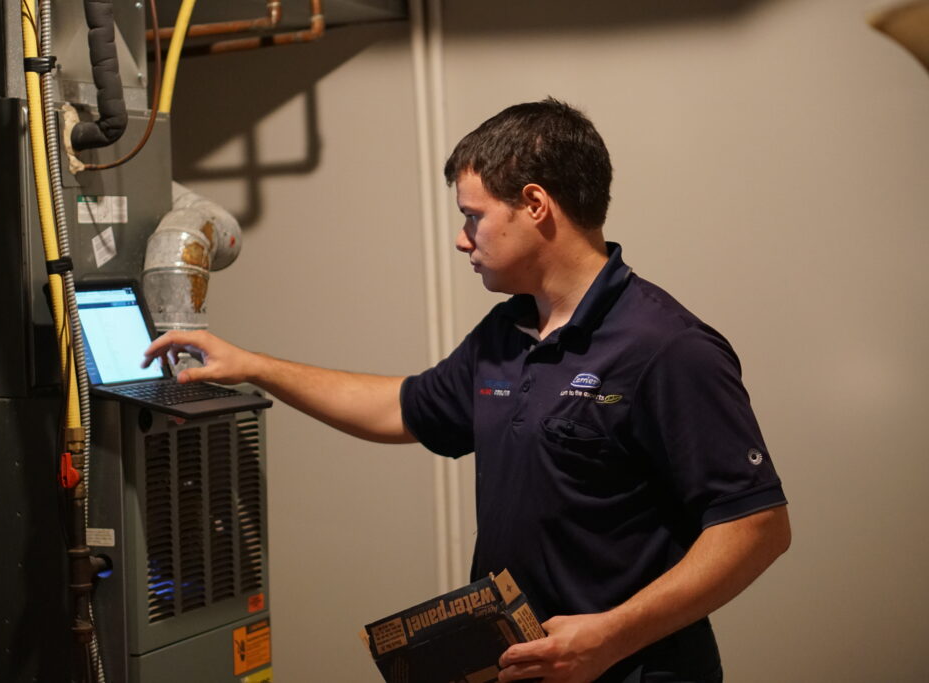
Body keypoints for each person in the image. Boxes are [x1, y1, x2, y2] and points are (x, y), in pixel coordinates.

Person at [143, 98, 790, 683]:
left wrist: (609, 635)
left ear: (536, 206)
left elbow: (756, 527)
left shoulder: (665, 347)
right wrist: (251, 363)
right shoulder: (509, 330)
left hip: (630, 669)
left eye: (472, 217)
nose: (462, 239)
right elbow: (401, 407)